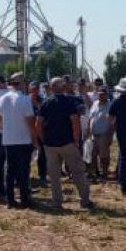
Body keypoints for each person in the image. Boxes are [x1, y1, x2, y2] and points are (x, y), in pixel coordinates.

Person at [35, 77, 95, 210]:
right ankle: (85, 200)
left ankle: (57, 202)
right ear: (64, 87)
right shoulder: (69, 102)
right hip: (67, 142)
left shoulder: (46, 103)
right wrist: (76, 140)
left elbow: (38, 124)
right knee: (78, 172)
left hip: (50, 144)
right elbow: (75, 122)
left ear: (51, 88)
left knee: (54, 175)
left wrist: (43, 140)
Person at [0, 73, 37, 209]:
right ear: (21, 83)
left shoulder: (3, 98)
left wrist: (3, 128)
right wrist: (34, 140)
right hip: (23, 139)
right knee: (23, 171)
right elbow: (30, 122)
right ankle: (24, 199)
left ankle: (10, 200)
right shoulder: (24, 100)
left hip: (8, 140)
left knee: (10, 171)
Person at [87, 87, 113, 180]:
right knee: (93, 154)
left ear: (106, 94)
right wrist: (88, 131)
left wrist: (110, 136)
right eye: (99, 94)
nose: (100, 95)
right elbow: (91, 118)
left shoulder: (110, 105)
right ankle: (95, 172)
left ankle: (105, 172)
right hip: (94, 135)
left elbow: (112, 122)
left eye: (103, 94)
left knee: (104, 155)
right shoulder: (94, 104)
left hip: (104, 134)